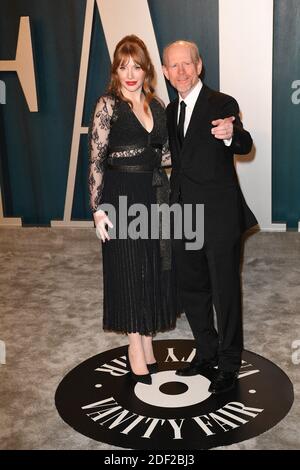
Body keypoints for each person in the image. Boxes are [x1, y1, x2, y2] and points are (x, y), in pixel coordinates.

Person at [163, 40, 258, 394]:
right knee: (193, 290)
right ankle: (206, 352)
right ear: (165, 72)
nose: (181, 71)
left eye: (187, 64)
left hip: (218, 217)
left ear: (199, 66)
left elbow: (244, 143)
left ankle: (230, 363)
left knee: (225, 292)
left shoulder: (222, 103)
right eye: (173, 66)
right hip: (184, 215)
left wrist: (233, 134)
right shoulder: (171, 111)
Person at [88, 35, 178, 385]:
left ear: (146, 70)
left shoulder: (156, 106)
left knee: (152, 267)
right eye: (123, 66)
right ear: (116, 69)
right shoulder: (108, 104)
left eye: (136, 66)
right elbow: (96, 158)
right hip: (120, 195)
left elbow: (166, 155)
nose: (130, 73)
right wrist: (96, 209)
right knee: (127, 269)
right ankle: (134, 346)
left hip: (154, 193)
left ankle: (148, 339)